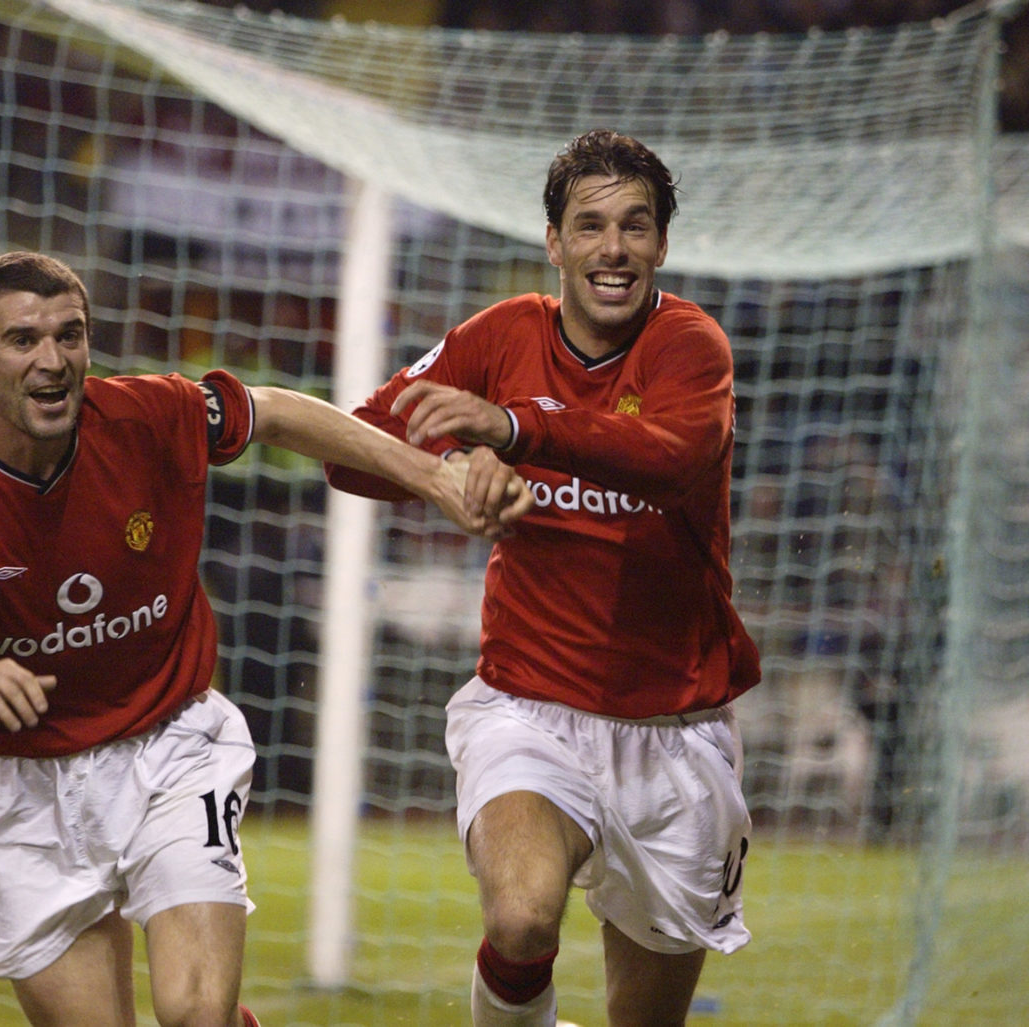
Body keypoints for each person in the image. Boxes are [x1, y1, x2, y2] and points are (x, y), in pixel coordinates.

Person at [0, 251, 532, 1027]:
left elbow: (272, 409)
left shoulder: (149, 417)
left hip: (168, 746)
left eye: (70, 335)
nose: (53, 361)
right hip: (20, 786)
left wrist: (430, 475)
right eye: (23, 340)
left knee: (196, 1013)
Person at [325, 129, 762, 1026]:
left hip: (674, 730)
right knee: (522, 917)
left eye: (635, 227)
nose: (614, 249)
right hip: (529, 710)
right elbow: (359, 454)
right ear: (553, 242)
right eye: (590, 225)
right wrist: (450, 475)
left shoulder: (690, 346)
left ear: (662, 246)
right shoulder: (500, 336)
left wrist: (514, 430)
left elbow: (671, 457)